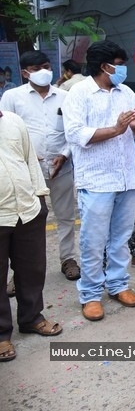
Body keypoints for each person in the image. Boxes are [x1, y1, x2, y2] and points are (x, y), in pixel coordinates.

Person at [62, 40, 135, 321]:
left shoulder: (126, 92)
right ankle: (89, 294)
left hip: (127, 177)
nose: (124, 69)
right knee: (93, 240)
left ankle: (118, 284)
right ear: (105, 66)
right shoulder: (79, 93)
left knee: (121, 238)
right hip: (98, 179)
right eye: (120, 64)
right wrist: (115, 129)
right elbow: (75, 133)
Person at [0, 50, 80, 282]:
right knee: (26, 221)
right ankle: (19, 273)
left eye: (46, 66)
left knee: (65, 216)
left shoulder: (64, 97)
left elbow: (72, 132)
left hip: (61, 167)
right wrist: (27, 158)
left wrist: (64, 155)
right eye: (37, 69)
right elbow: (6, 133)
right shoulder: (12, 97)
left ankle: (68, 259)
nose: (44, 72)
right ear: (25, 73)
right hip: (26, 172)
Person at [0, 110, 62, 362]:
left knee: (32, 269)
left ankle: (31, 317)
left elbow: (30, 161)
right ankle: (2, 334)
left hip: (27, 209)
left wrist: (40, 197)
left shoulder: (13, 121)